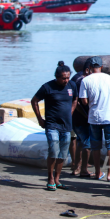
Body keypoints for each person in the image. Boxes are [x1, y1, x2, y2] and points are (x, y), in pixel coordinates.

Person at [31, 61, 77, 191]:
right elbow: (34, 101)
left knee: (63, 154)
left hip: (66, 126)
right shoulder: (47, 87)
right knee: (53, 150)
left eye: (68, 77)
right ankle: (50, 178)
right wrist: (40, 119)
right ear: (56, 77)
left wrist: (71, 112)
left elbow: (75, 99)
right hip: (52, 125)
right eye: (63, 78)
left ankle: (57, 179)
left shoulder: (72, 85)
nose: (66, 80)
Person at [79, 56, 110, 181]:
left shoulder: (85, 81)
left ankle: (97, 172)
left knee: (95, 146)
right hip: (109, 117)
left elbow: (84, 101)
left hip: (94, 117)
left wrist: (93, 102)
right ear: (101, 67)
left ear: (90, 67)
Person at [70, 58, 94, 177]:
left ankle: (76, 168)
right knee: (86, 144)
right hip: (81, 118)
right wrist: (86, 116)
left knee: (80, 142)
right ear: (87, 70)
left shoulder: (76, 77)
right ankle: (83, 169)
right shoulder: (82, 81)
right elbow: (77, 102)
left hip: (75, 118)